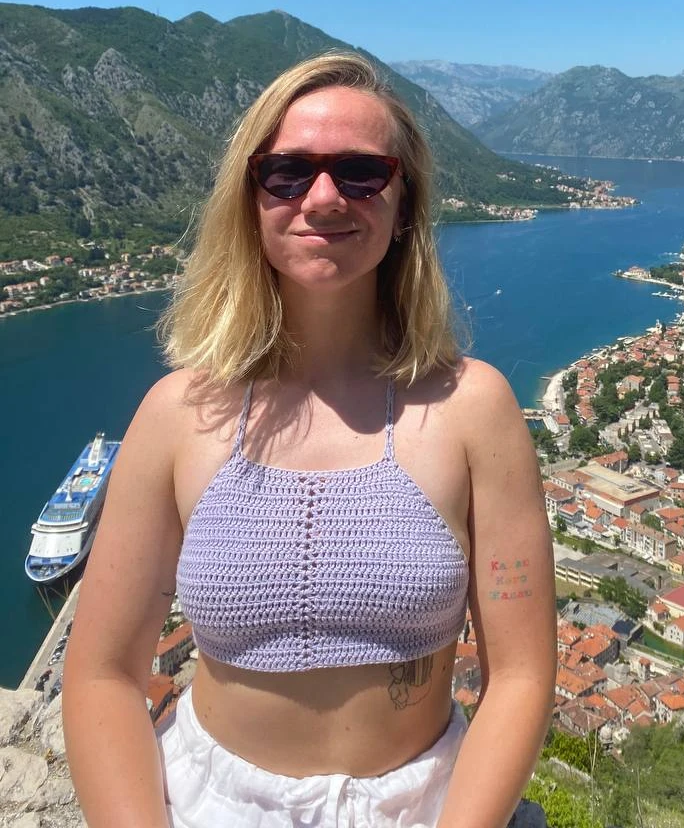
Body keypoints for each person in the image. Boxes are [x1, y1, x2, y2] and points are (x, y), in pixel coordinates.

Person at [63, 52, 557, 828]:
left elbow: (522, 676)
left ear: (403, 202)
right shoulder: (176, 416)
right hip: (210, 806)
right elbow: (101, 676)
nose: (323, 198)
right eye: (288, 172)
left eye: (360, 172)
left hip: (427, 806)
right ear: (250, 197)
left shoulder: (475, 410)